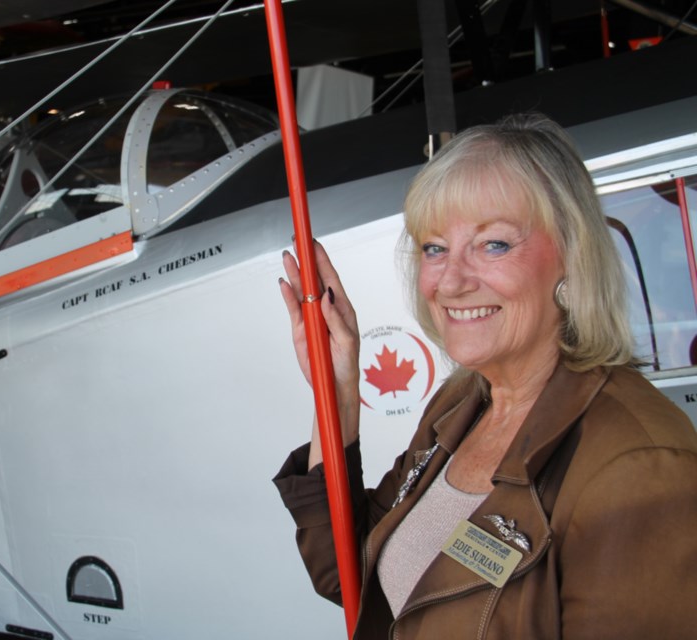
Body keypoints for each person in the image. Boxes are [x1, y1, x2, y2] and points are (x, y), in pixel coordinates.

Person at [273, 113, 697, 639]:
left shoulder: (641, 465)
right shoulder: (461, 404)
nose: (451, 281)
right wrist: (337, 397)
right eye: (435, 248)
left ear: (572, 253)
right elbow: (352, 576)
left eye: (494, 244)